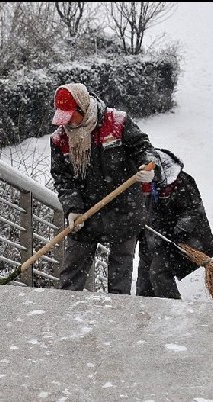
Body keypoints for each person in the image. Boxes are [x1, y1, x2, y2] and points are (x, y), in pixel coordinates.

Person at [49, 83, 160, 294]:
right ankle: (64, 317)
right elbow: (62, 178)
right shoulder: (60, 139)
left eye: (71, 116)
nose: (67, 123)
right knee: (71, 276)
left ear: (83, 108)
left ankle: (116, 320)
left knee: (120, 277)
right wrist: (72, 208)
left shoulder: (117, 123)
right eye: (63, 118)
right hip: (86, 214)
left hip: (124, 210)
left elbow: (144, 149)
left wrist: (150, 166)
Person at [136, 148, 213, 299]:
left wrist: (176, 233)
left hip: (184, 242)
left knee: (159, 273)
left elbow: (192, 212)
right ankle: (145, 315)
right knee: (144, 283)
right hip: (153, 240)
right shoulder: (142, 183)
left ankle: (172, 312)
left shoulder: (181, 182)